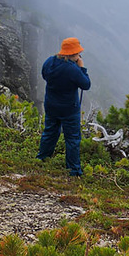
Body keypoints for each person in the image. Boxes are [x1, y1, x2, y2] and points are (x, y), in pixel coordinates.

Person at [37, 37, 91, 176]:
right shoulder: (72, 69)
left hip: (51, 104)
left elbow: (44, 75)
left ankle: (42, 159)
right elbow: (86, 85)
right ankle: (74, 170)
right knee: (72, 138)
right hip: (69, 109)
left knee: (50, 132)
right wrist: (82, 68)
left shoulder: (49, 62)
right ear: (73, 54)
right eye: (78, 53)